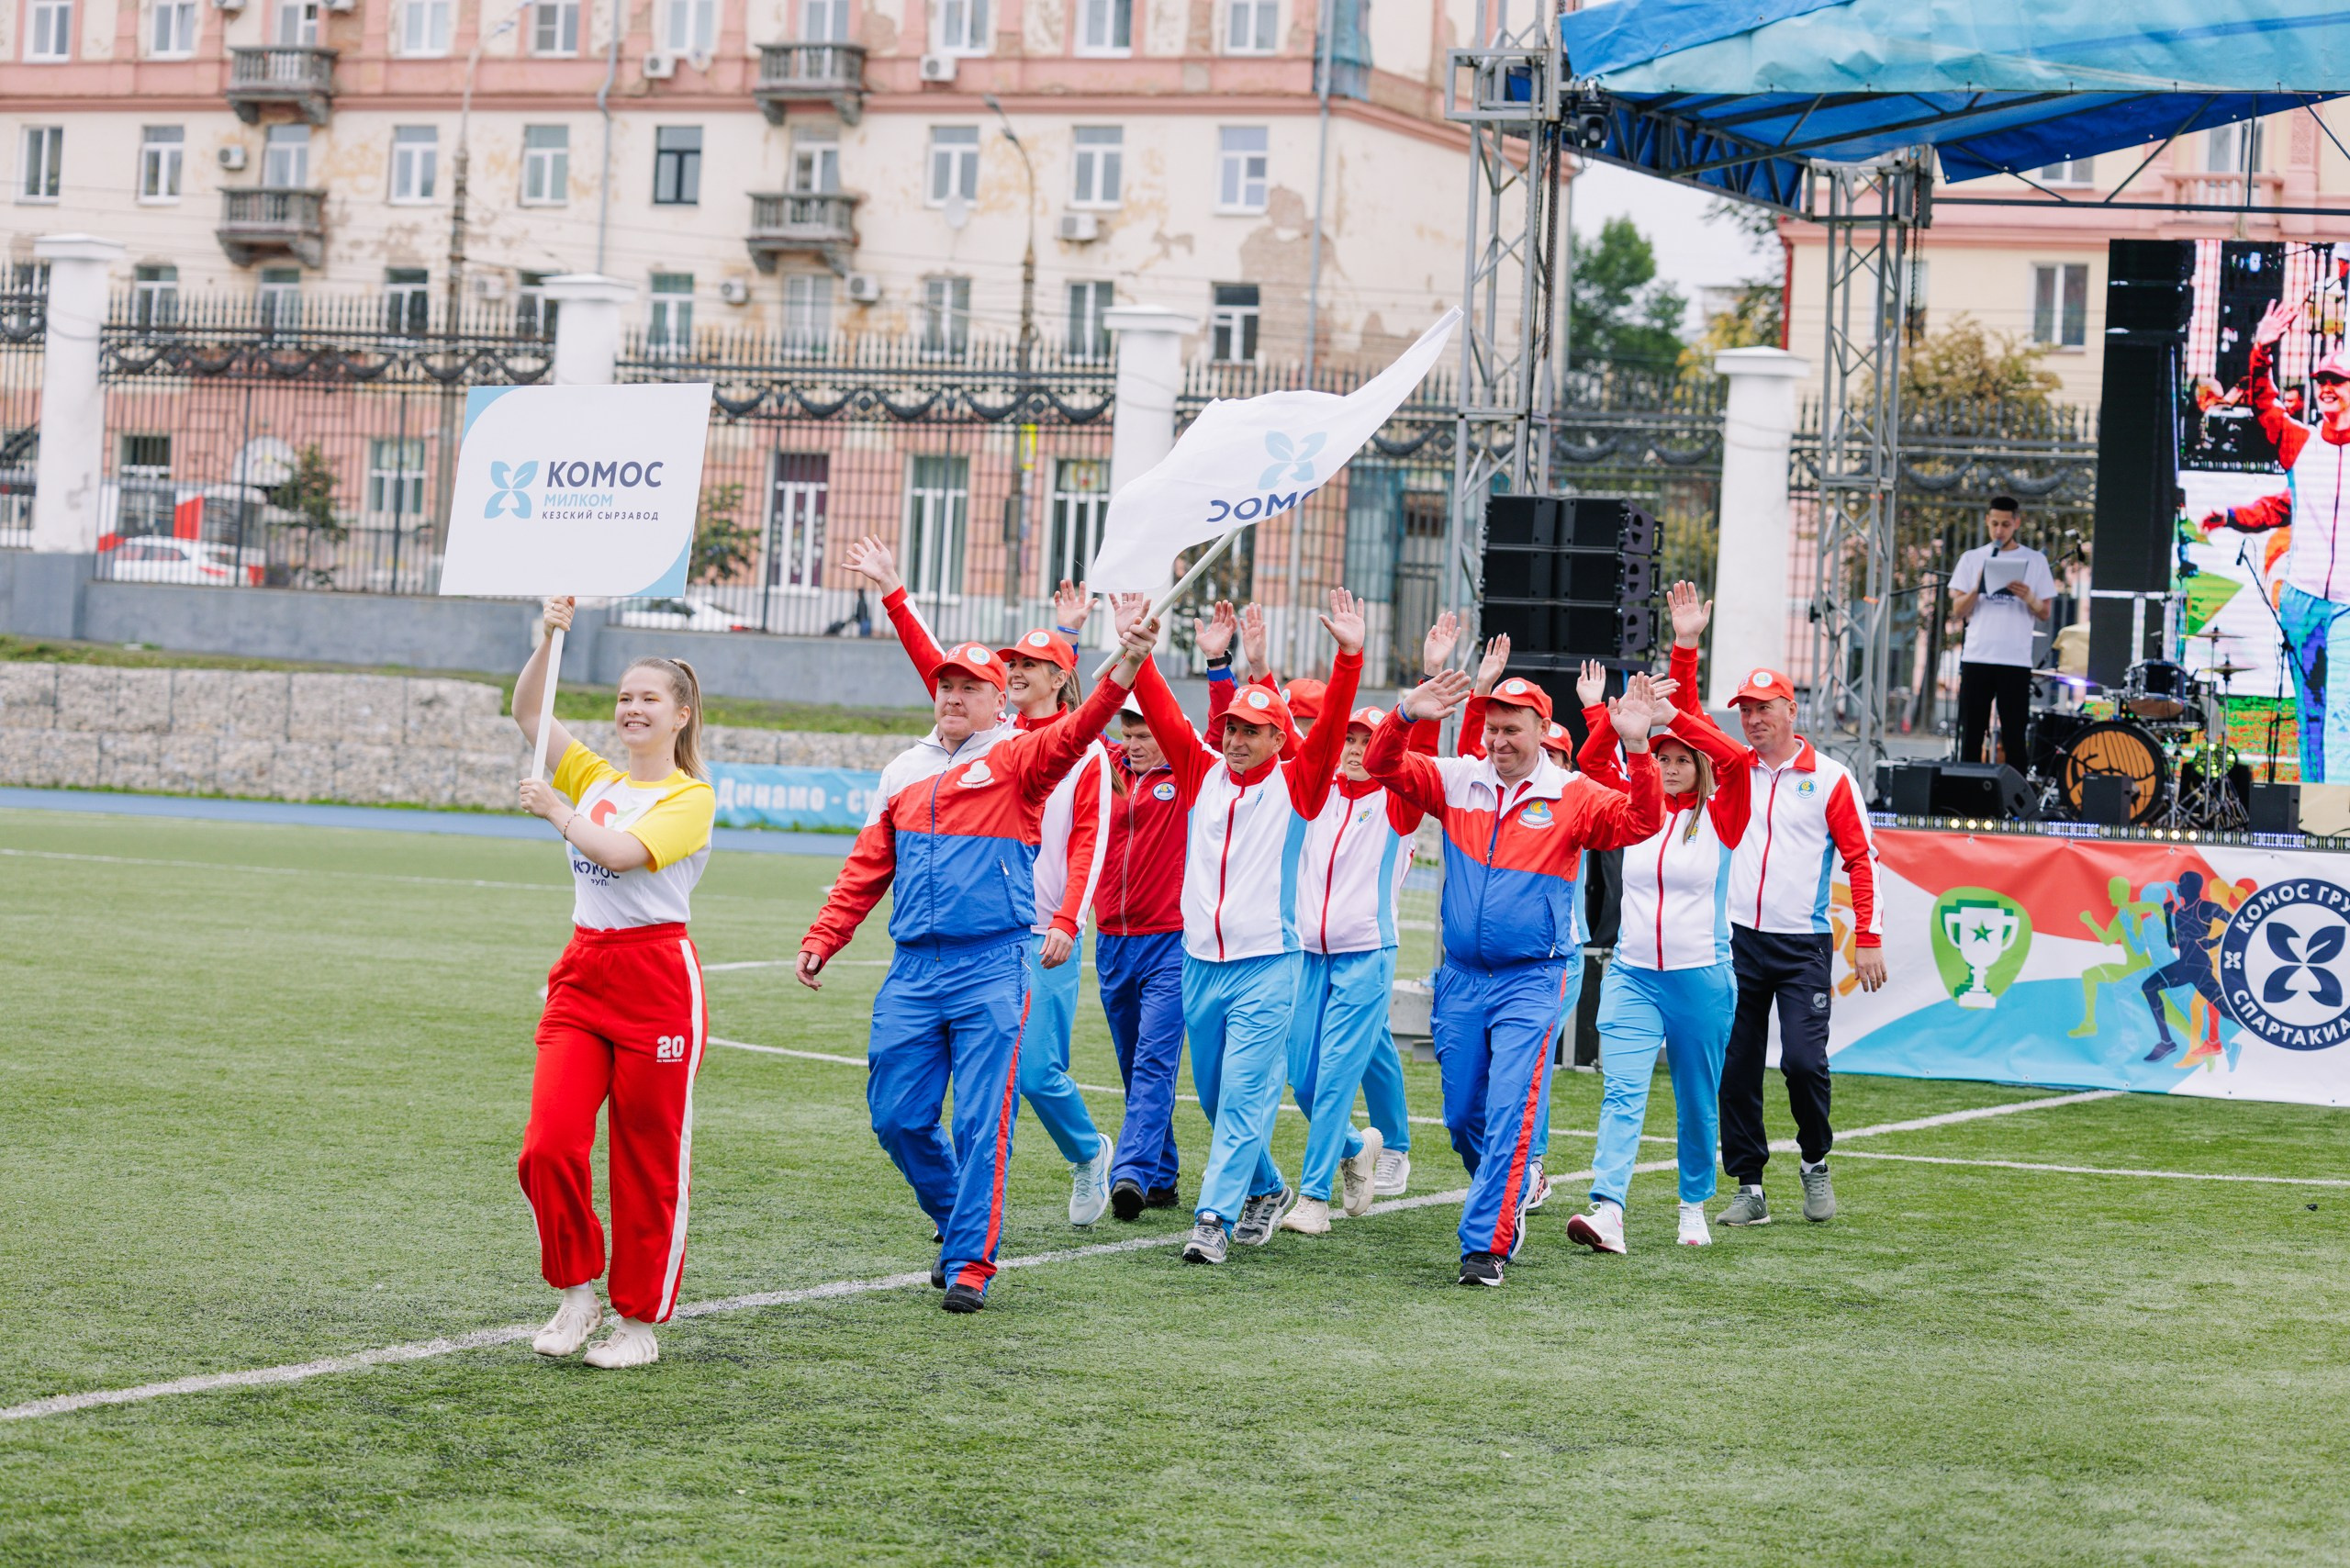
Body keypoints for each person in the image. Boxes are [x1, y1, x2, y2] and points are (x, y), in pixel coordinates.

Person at [797, 615, 1151, 1313]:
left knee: (983, 1122)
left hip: (992, 964)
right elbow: (868, 865)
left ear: (998, 699)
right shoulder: (904, 769)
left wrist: (1125, 671)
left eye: (970, 687)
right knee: (896, 1117)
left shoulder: (1021, 758)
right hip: (912, 970)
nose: (954, 697)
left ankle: (969, 1263)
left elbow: (1078, 732)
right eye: (946, 686)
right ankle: (958, 1213)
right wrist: (826, 934)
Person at [845, 541, 1117, 1228]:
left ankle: (1088, 1152)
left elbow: (1090, 840)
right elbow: (938, 669)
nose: (1016, 672)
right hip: (981, 935)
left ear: (1058, 677)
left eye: (1030, 665)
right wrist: (895, 594)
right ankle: (972, 1220)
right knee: (983, 1095)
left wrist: (1068, 919)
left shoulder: (1082, 750)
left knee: (1036, 1072)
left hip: (1042, 931)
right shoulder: (987, 737)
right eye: (1012, 664)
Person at [1367, 663, 1665, 1287]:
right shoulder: (1458, 779)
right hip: (1460, 978)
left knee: (1510, 1112)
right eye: (1493, 729)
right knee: (1460, 1118)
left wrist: (1638, 747)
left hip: (1532, 980)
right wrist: (1406, 714)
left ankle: (1486, 1246)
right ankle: (1516, 1184)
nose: (1499, 741)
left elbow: (1641, 821)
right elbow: (1381, 764)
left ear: (1541, 730)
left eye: (1513, 730)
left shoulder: (1571, 793)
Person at [1121, 588, 1365, 1265]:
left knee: (1243, 1096)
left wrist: (1349, 658)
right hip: (1199, 961)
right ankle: (1266, 1188)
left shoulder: (1299, 785)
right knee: (1213, 1097)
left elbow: (1331, 726)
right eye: (1231, 728)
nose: (1235, 739)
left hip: (1267, 964)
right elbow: (1162, 711)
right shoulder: (1201, 773)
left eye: (1252, 731)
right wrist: (1137, 651)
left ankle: (1212, 1219)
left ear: (1279, 740)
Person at [512, 597, 717, 1370]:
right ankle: (576, 1293)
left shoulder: (690, 797)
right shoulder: (597, 776)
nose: (632, 708)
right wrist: (549, 638)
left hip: (656, 981)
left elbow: (623, 853)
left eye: (648, 699)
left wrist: (558, 812)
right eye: (625, 697)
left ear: (680, 715)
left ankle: (638, 1323)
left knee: (646, 1160)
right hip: (583, 972)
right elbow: (529, 712)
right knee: (547, 1147)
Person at [1565, 583, 1752, 1253]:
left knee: (1698, 1102)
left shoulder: (1724, 814)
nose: (1669, 768)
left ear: (1697, 764)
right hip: (1633, 975)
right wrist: (1614, 725)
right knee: (1622, 1092)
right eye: (1662, 759)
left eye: (1679, 760)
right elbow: (1592, 762)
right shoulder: (1633, 806)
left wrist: (1684, 659)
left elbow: (1735, 757)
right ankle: (1607, 1209)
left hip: (1702, 977)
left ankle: (1693, 1203)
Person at [1235, 599, 1417, 1197]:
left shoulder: (1394, 799)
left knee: (1345, 1070)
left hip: (1365, 950)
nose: (1356, 749)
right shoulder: (1315, 792)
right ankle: (1358, 1148)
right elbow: (1286, 738)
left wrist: (1421, 695)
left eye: (1368, 741)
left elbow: (1415, 749)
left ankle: (1327, 1188)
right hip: (1308, 953)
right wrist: (1258, 668)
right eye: (1351, 739)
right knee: (1307, 1082)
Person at [1705, 664, 1886, 1228]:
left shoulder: (1831, 777)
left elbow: (1862, 860)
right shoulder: (1733, 770)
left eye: (1764, 707)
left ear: (1791, 710)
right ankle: (1749, 1187)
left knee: (1804, 1063)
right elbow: (1686, 723)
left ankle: (1814, 1161)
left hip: (1803, 945)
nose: (1753, 719)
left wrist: (1868, 937)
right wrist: (1686, 647)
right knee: (1736, 1066)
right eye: (1745, 710)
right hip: (1737, 940)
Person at [1453, 644, 1630, 1205]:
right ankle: (1512, 1169)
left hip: (1554, 956)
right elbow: (1471, 763)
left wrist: (1600, 715)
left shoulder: (1571, 798)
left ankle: (1529, 1163)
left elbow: (1612, 785)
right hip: (1480, 967)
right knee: (1489, 1083)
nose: (1540, 758)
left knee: (1529, 1064)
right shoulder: (1493, 785)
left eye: (1555, 753)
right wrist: (1480, 689)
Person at [2199, 298, 2350, 781]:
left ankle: (2338, 813)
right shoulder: (2302, 443)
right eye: (2322, 381)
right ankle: (2314, 805)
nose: (2326, 389)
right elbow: (2264, 404)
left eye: (2338, 381)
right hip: (2302, 600)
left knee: (2343, 712)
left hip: (2347, 605)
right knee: (2311, 711)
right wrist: (2261, 349)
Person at [1947, 496, 2056, 770]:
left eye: (2005, 525)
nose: (1999, 530)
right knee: (1971, 734)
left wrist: (2028, 596)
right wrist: (1977, 588)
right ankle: (1966, 792)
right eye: (1994, 524)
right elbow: (1957, 610)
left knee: (2014, 735)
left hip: (2014, 660)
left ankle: (2015, 794)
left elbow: (2045, 612)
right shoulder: (1972, 558)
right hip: (1977, 657)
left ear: (2016, 523)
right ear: (1987, 521)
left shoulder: (2035, 561)